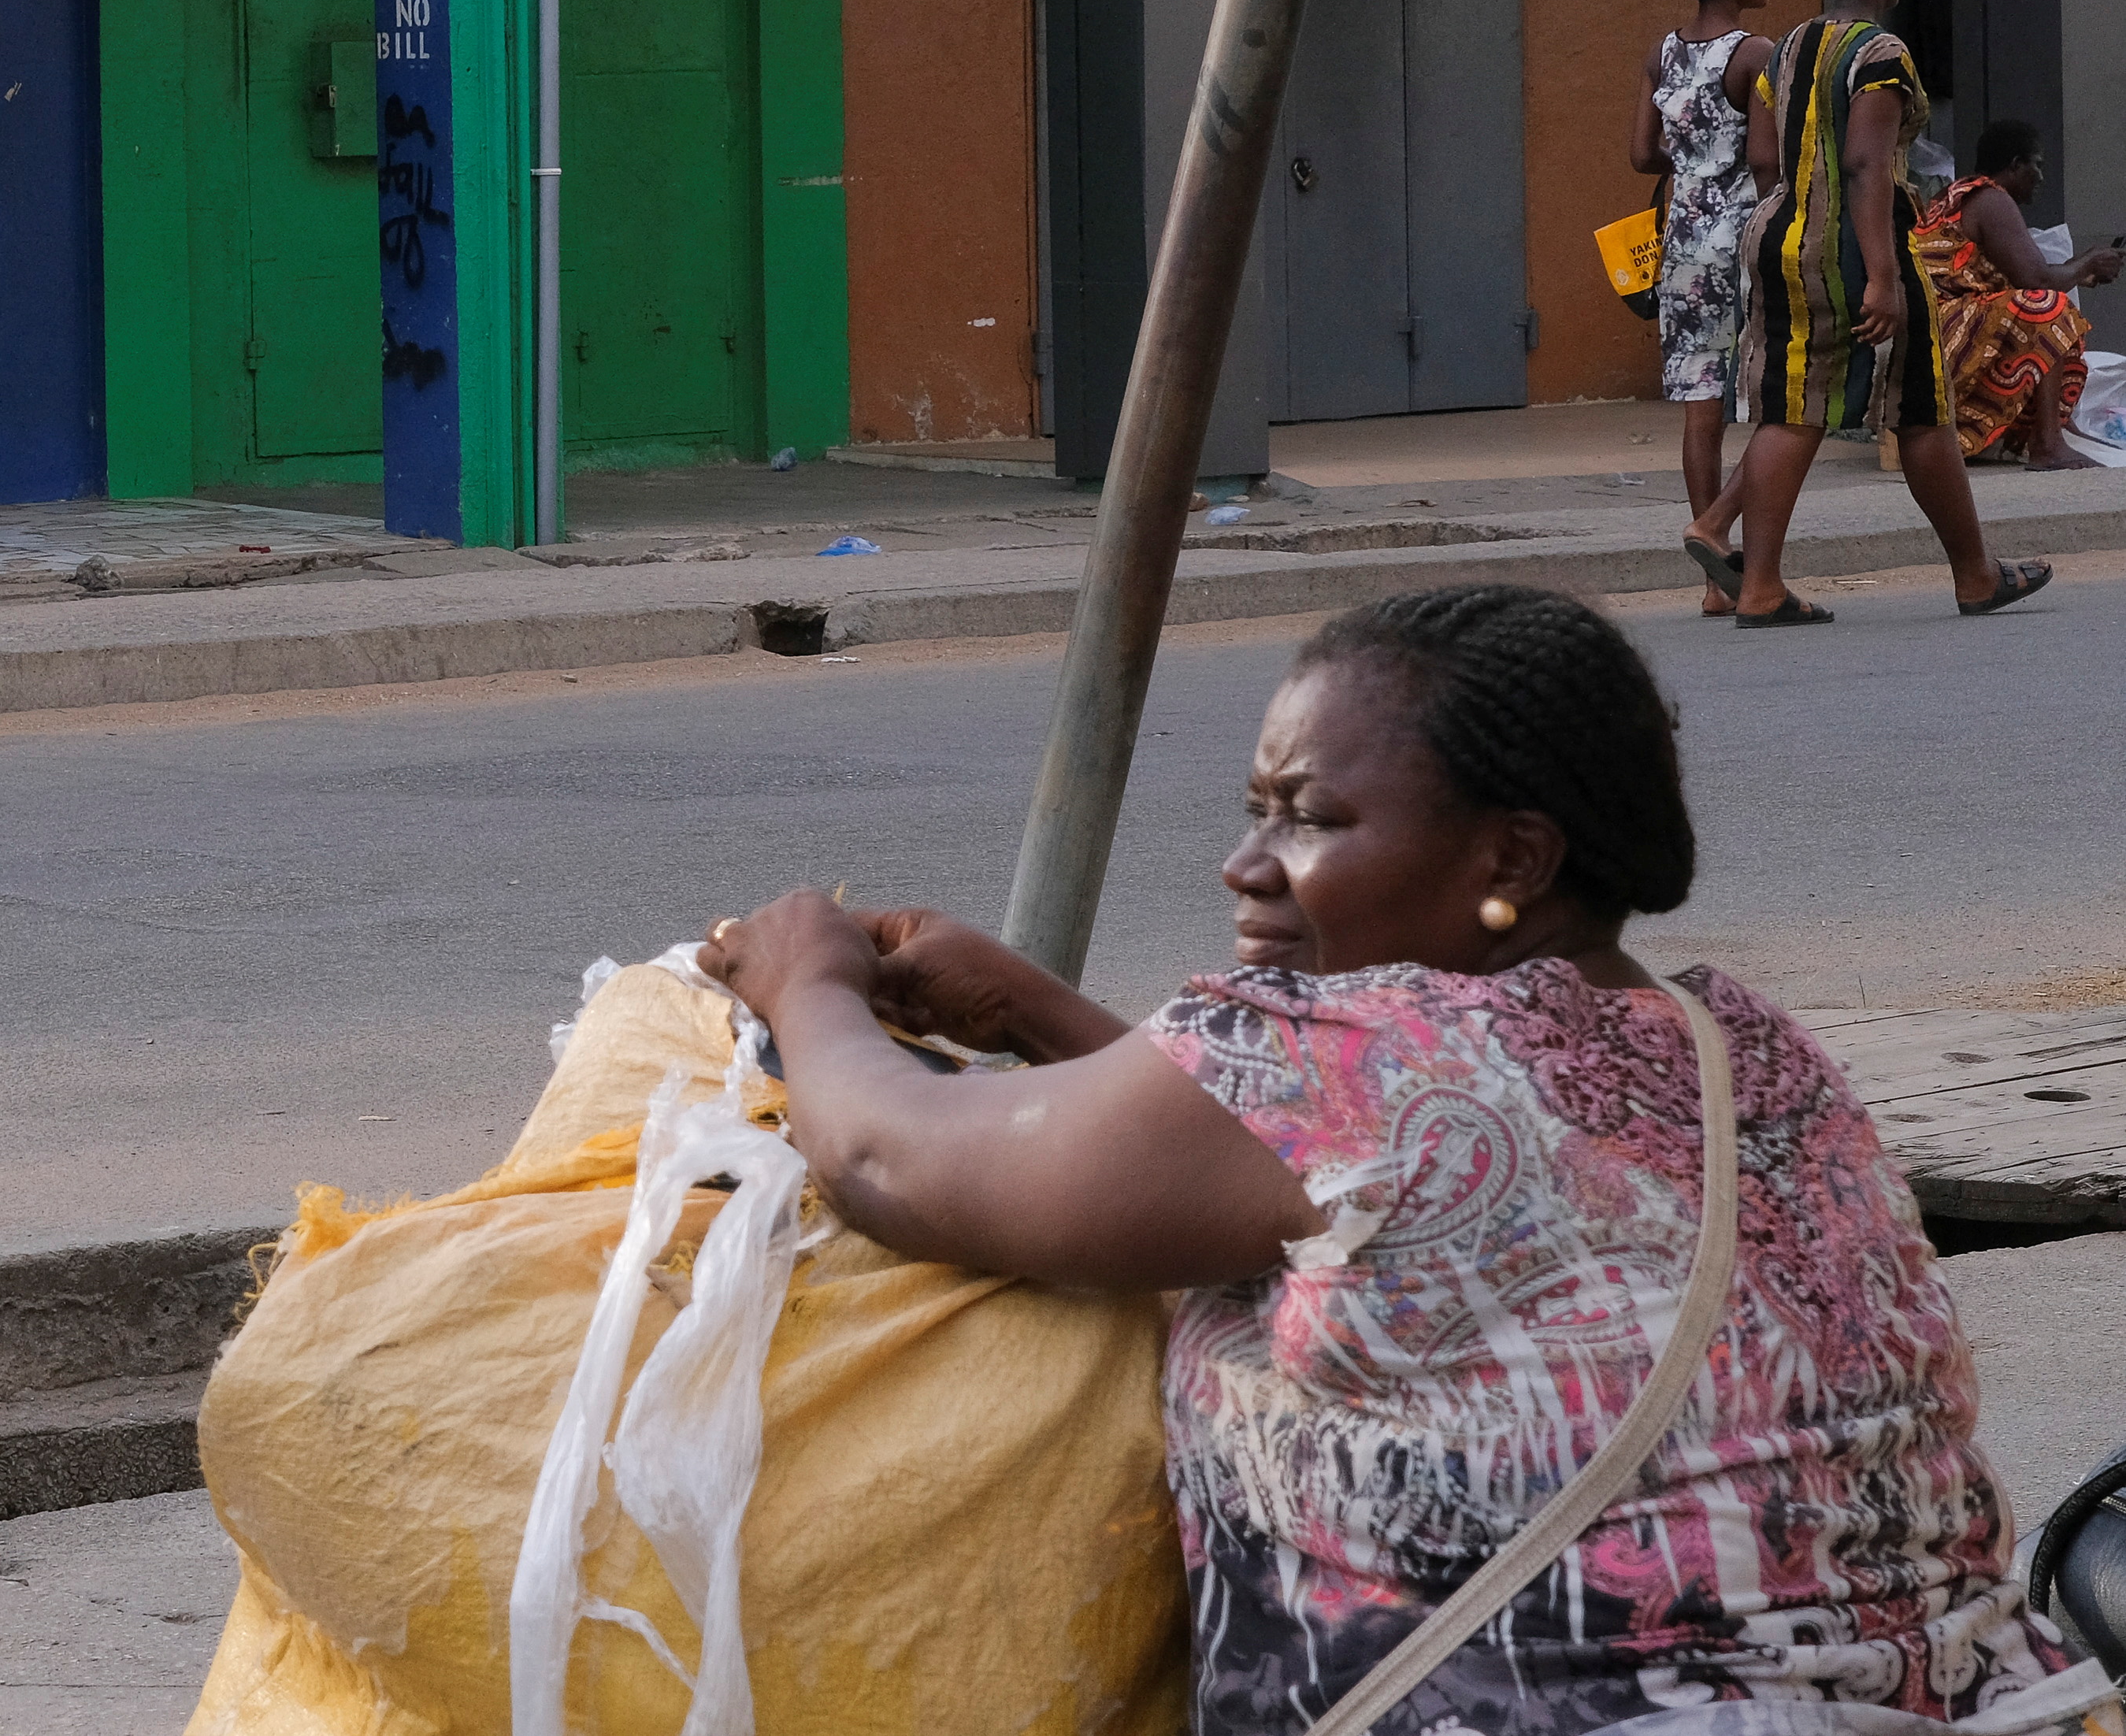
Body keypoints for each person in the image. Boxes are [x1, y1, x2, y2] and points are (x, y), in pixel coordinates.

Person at [700, 585, 2114, 1736]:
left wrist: (805, 983)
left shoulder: (1362, 1059)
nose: (1248, 865)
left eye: (1312, 819)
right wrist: (1034, 1014)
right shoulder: (1740, 1040)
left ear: (1514, 853)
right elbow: (1366, 1196)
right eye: (1258, 809)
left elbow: (895, 1155)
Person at [1726, 0, 2049, 624]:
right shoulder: (1880, 53)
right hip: (1859, 245)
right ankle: (1976, 574)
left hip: (1780, 237)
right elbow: (1870, 163)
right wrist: (1878, 274)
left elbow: (1760, 157)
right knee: (1921, 407)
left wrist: (1797, 216)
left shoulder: (1785, 47)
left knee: (1789, 405)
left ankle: (1760, 584)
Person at [1631, 0, 1776, 610]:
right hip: (1742, 239)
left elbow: (1640, 154)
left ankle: (1712, 585)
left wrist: (1691, 161)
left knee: (1699, 405)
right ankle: (1719, 532)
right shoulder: (1754, 54)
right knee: (1780, 399)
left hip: (1682, 242)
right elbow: (1764, 160)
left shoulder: (1663, 51)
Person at [1911, 121, 2117, 470]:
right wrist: (2087, 263)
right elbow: (2037, 280)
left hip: (1934, 330)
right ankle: (2048, 446)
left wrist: (2081, 267)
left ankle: (2032, 439)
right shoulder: (1990, 198)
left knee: (2042, 306)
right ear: (2015, 164)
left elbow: (2019, 279)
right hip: (1947, 332)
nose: (2041, 177)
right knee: (2049, 309)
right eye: (2036, 165)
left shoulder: (1957, 194)